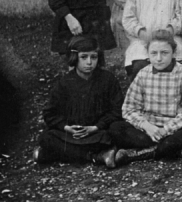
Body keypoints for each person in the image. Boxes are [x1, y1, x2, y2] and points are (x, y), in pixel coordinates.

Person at [111, 30, 182, 166]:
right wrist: (146, 126)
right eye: (154, 53)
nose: (159, 58)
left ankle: (145, 152)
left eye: (164, 53)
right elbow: (129, 108)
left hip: (174, 129)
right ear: (148, 54)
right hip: (148, 131)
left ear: (173, 53)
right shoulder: (143, 74)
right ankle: (174, 150)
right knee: (116, 128)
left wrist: (167, 129)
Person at [34, 36, 123, 167]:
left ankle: (51, 154)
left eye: (93, 57)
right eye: (84, 57)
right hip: (72, 135)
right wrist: (67, 128)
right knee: (46, 138)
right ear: (74, 58)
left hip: (97, 132)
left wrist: (95, 127)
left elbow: (117, 110)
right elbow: (50, 114)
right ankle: (96, 156)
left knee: (116, 132)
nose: (89, 62)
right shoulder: (64, 83)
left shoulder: (108, 80)